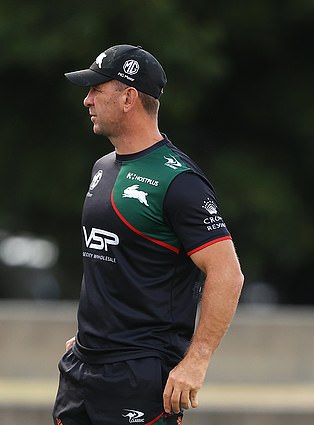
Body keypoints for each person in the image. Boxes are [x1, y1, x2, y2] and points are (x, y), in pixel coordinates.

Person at [52, 44, 244, 425]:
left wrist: (196, 360)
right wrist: (92, 336)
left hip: (140, 376)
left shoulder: (179, 181)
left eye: (96, 90)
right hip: (84, 367)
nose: (86, 100)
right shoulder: (103, 167)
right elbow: (116, 261)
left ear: (128, 97)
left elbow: (228, 274)